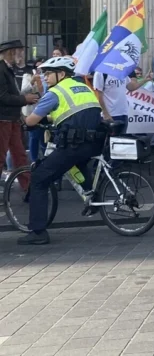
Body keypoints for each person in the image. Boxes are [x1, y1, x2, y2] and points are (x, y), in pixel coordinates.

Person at [18, 56, 102, 245]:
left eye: (48, 74)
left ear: (61, 74)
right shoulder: (82, 86)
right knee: (76, 163)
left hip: (73, 143)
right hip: (93, 141)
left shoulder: (55, 92)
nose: (45, 78)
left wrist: (24, 122)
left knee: (39, 179)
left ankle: (38, 232)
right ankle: (90, 195)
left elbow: (31, 120)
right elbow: (73, 111)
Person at [1, 40, 40, 188]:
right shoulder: (2, 69)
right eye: (19, 51)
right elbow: (3, 97)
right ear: (11, 52)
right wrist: (25, 99)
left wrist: (22, 108)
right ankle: (27, 186)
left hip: (11, 119)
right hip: (3, 119)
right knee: (4, 155)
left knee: (20, 155)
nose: (21, 54)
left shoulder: (8, 69)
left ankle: (28, 187)